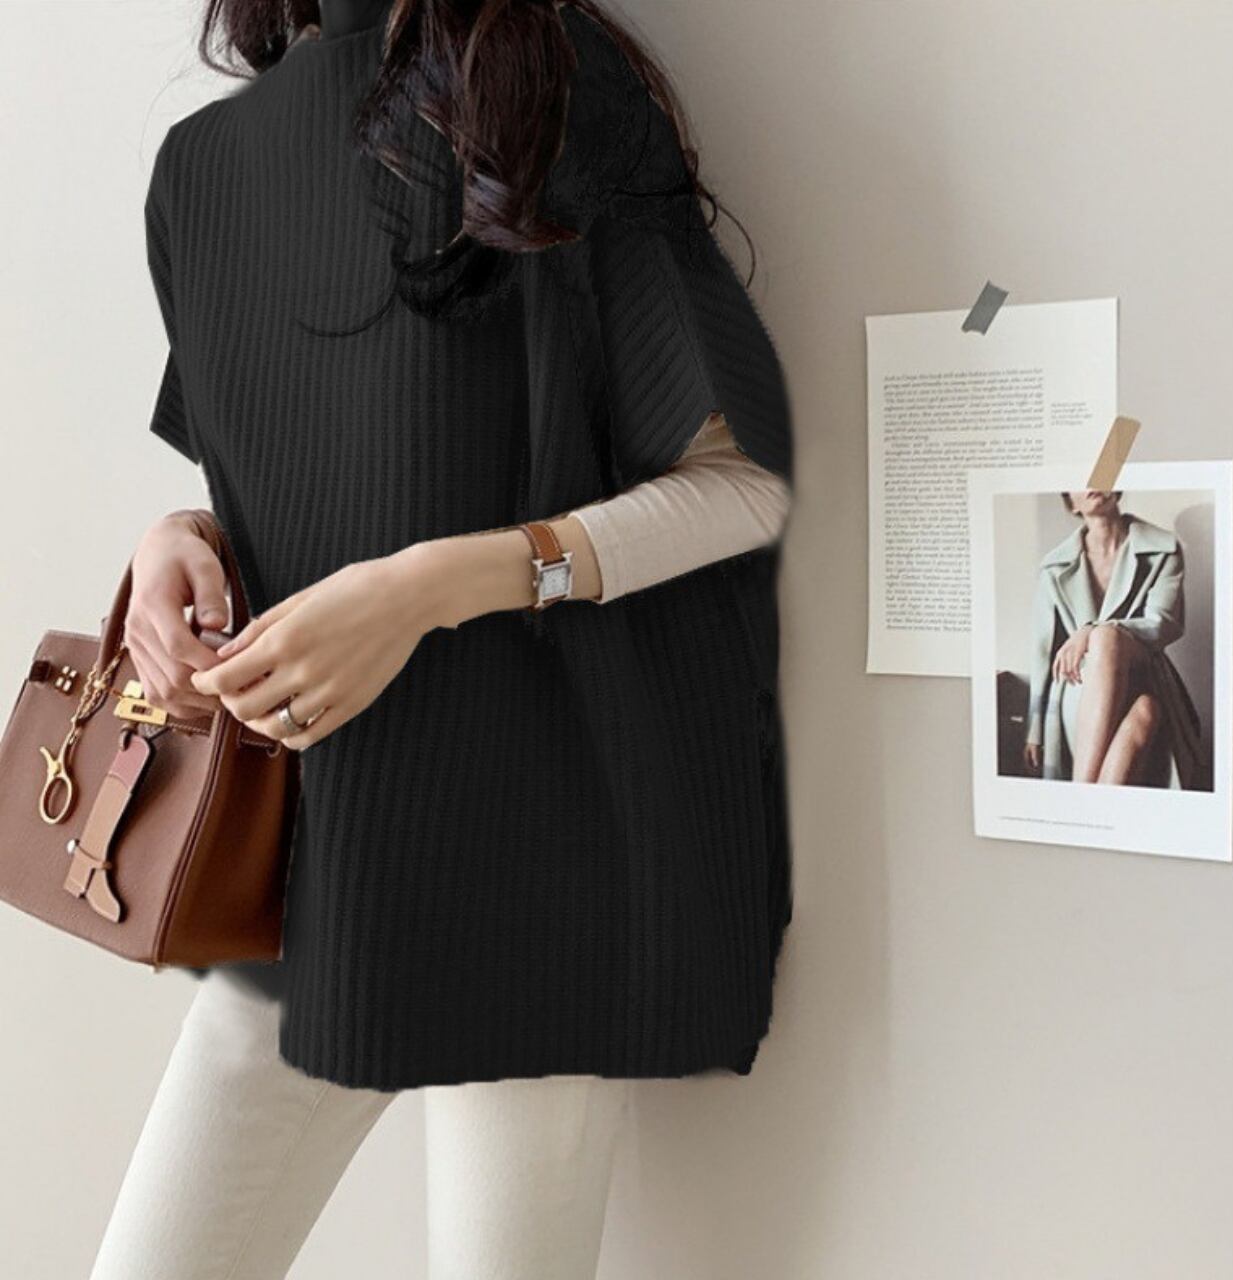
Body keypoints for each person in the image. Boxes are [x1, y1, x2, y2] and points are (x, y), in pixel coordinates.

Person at [90, 0, 795, 1275]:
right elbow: (298, 485)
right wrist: (173, 539)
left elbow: (737, 486)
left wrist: (427, 587)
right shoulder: (200, 168)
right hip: (298, 873)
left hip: (538, 864)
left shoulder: (540, 84)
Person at [1023, 491, 1205, 790]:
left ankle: (1081, 793)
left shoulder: (1163, 548)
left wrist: (1094, 630)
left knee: (1107, 639)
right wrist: (1035, 730)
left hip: (1142, 671)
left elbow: (1165, 624)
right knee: (1146, 709)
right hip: (1078, 686)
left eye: (1102, 474)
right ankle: (1089, 802)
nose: (1094, 483)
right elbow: (1043, 650)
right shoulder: (1053, 566)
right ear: (1071, 502)